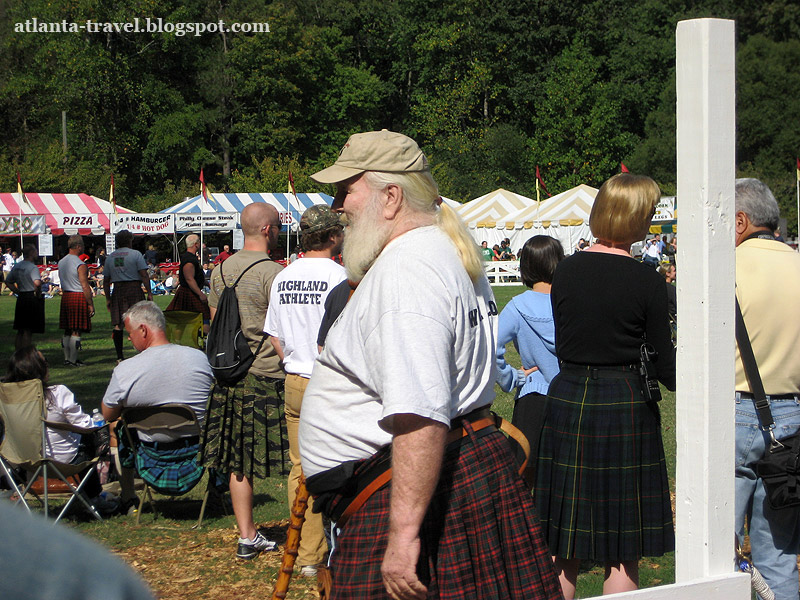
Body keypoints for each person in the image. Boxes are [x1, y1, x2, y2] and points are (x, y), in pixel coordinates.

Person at [299, 130, 561, 599]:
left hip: (407, 494)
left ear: (391, 197)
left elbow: (419, 411)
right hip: (434, 479)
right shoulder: (437, 252)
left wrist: (402, 537)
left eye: (346, 190)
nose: (338, 204)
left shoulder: (407, 269)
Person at [534, 173, 675, 598]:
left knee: (563, 545)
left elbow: (566, 342)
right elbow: (666, 367)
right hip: (625, 403)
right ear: (635, 218)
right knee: (622, 548)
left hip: (568, 396)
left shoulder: (567, 272)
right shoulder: (648, 280)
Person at [200, 203, 287, 560]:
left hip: (228, 374)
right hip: (266, 373)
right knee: (293, 454)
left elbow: (215, 323)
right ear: (267, 230)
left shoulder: (219, 271)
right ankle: (309, 532)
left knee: (237, 458)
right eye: (278, 226)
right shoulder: (274, 273)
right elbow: (281, 330)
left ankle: (247, 535)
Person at [265, 204, 346, 577]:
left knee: (300, 468)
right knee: (343, 464)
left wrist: (289, 362)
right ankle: (339, 547)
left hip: (294, 379)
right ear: (332, 236)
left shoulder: (284, 277)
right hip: (330, 381)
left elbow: (275, 337)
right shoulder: (341, 277)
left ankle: (307, 553)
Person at [734, 178, 800, 600]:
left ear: (739, 221)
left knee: (710, 555)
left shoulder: (727, 268)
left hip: (737, 408)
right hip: (792, 412)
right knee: (778, 556)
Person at [102, 301, 214, 513]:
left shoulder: (126, 370)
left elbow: (107, 413)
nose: (128, 338)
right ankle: (218, 492)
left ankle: (128, 497)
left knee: (117, 426)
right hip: (197, 450)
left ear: (143, 329)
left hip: (151, 454)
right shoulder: (199, 359)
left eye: (129, 332)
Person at [495, 235, 563, 486]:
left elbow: (491, 346)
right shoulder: (568, 302)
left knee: (523, 478)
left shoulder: (517, 306)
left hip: (532, 396)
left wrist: (512, 377)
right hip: (569, 395)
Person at [4, 346, 107, 506]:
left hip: (23, 459)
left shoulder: (7, 399)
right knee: (92, 438)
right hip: (61, 462)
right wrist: (99, 424)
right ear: (38, 369)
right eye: (45, 362)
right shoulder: (57, 393)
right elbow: (85, 424)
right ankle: (94, 498)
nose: (48, 366)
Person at [104, 230, 152, 362]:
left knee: (118, 324)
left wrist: (108, 298)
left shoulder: (111, 256)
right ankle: (142, 351)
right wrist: (149, 293)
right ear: (130, 240)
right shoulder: (135, 254)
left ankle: (119, 356)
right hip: (134, 288)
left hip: (118, 290)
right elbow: (144, 274)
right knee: (140, 320)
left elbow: (106, 280)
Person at [58, 235, 95, 367]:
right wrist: (90, 304)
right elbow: (85, 285)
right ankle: (73, 360)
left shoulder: (61, 262)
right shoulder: (80, 264)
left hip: (66, 295)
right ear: (78, 246)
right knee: (76, 329)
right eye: (83, 246)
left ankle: (67, 359)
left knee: (67, 329)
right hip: (77, 295)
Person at [166, 234, 210, 329]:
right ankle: (206, 339)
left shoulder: (191, 258)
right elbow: (189, 279)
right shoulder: (189, 260)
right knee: (199, 316)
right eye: (199, 242)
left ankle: (204, 339)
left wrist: (206, 283)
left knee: (188, 319)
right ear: (196, 244)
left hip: (191, 291)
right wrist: (200, 294)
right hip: (189, 292)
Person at [5, 244, 45, 349]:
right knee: (28, 329)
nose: (37, 253)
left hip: (21, 296)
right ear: (31, 253)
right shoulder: (32, 267)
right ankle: (26, 354)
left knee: (20, 329)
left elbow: (8, 281)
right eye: (35, 251)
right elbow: (37, 283)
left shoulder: (18, 266)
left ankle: (18, 353)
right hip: (31, 297)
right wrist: (39, 291)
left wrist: (17, 291)